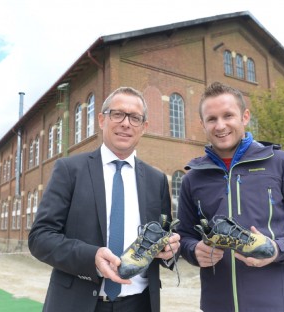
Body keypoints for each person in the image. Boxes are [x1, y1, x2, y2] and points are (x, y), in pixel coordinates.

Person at [176, 82, 284, 312]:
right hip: (216, 306)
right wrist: (194, 250)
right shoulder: (193, 178)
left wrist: (278, 249)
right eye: (212, 119)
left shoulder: (283, 164)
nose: (220, 125)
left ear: (245, 117)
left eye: (228, 115)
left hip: (275, 305)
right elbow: (183, 236)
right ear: (202, 124)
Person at [29, 86, 180, 312]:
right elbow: (40, 238)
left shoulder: (156, 179)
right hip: (76, 304)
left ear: (144, 127)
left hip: (139, 304)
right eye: (117, 114)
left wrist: (169, 252)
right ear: (101, 119)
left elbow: (163, 237)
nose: (126, 123)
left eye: (135, 118)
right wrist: (92, 258)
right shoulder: (69, 170)